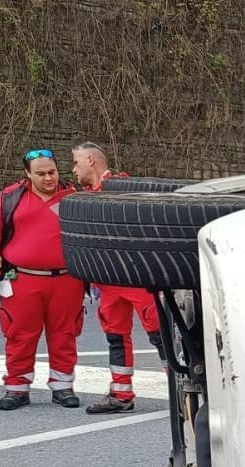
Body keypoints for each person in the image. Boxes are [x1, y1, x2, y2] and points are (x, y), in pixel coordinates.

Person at [0, 149, 85, 411]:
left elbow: (90, 239)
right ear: (27, 174)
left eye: (52, 172)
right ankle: (17, 388)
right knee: (19, 334)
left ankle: (62, 386)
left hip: (68, 279)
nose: (48, 178)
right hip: (23, 278)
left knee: (65, 333)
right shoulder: (9, 199)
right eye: (41, 174)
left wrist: (96, 277)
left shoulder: (74, 198)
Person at [70, 141, 164, 414]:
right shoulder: (87, 198)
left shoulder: (125, 189)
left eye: (76, 162)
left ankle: (183, 393)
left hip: (138, 279)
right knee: (116, 337)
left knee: (161, 336)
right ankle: (121, 393)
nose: (73, 169)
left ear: (90, 160)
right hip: (108, 284)